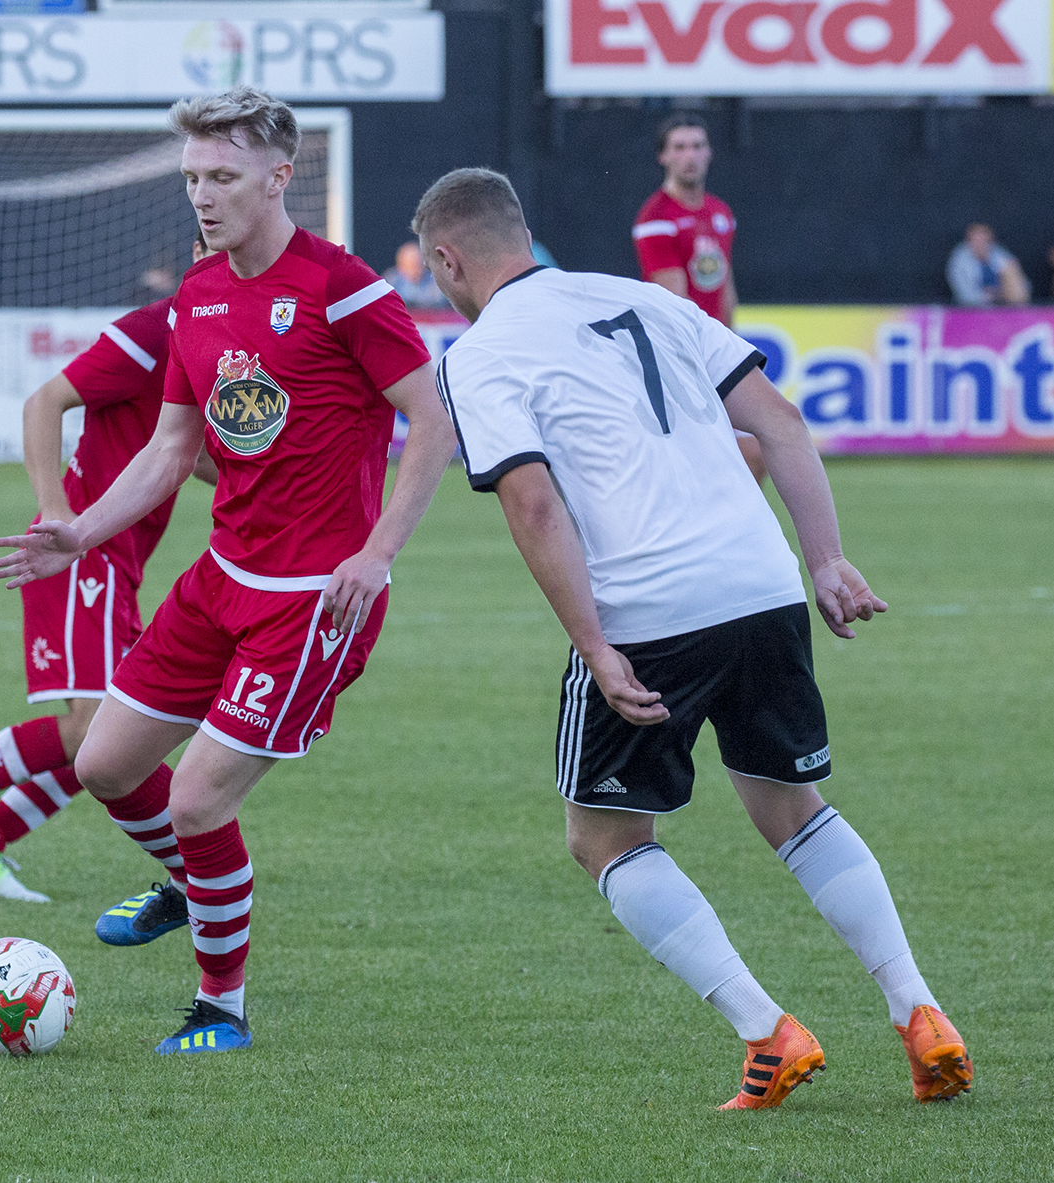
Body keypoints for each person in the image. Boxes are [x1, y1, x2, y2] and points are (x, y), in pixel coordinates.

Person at [416, 167, 972, 1111]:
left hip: (651, 610)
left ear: (446, 260)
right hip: (763, 585)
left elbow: (533, 500)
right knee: (792, 806)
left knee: (602, 837)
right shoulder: (647, 299)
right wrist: (827, 560)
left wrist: (594, 646)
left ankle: (767, 1031)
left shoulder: (479, 352)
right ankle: (920, 1013)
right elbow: (781, 423)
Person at [0, 86, 455, 1056]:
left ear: (280, 178)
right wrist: (76, 529)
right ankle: (196, 879)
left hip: (311, 601)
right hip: (220, 579)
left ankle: (222, 1007)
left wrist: (377, 554)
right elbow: (168, 451)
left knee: (198, 796)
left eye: (224, 177)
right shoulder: (197, 296)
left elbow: (435, 420)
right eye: (194, 176)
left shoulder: (344, 288)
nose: (204, 195)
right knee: (105, 763)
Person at [0, 237, 219, 904]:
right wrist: (55, 508)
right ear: (200, 252)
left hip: (121, 563)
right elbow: (43, 402)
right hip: (78, 553)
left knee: (114, 738)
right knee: (96, 729)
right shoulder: (152, 330)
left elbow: (179, 452)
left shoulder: (213, 342)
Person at [633, 113, 764, 484]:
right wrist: (703, 362)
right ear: (664, 157)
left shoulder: (720, 212)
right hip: (677, 356)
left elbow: (724, 284)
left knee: (749, 451)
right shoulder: (656, 217)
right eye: (679, 147)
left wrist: (732, 345)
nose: (689, 155)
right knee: (749, 449)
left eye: (697, 146)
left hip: (711, 352)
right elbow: (673, 299)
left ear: (709, 153)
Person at [946, 223, 1030, 307]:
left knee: (1011, 270)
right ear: (969, 240)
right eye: (976, 239)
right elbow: (964, 293)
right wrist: (988, 297)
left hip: (1003, 304)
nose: (980, 243)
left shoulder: (999, 253)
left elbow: (1022, 286)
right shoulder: (959, 258)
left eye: (983, 239)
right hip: (971, 308)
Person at [384, 240, 449, 309]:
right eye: (409, 265)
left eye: (417, 264)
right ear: (400, 265)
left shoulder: (437, 282)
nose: (414, 269)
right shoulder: (391, 282)